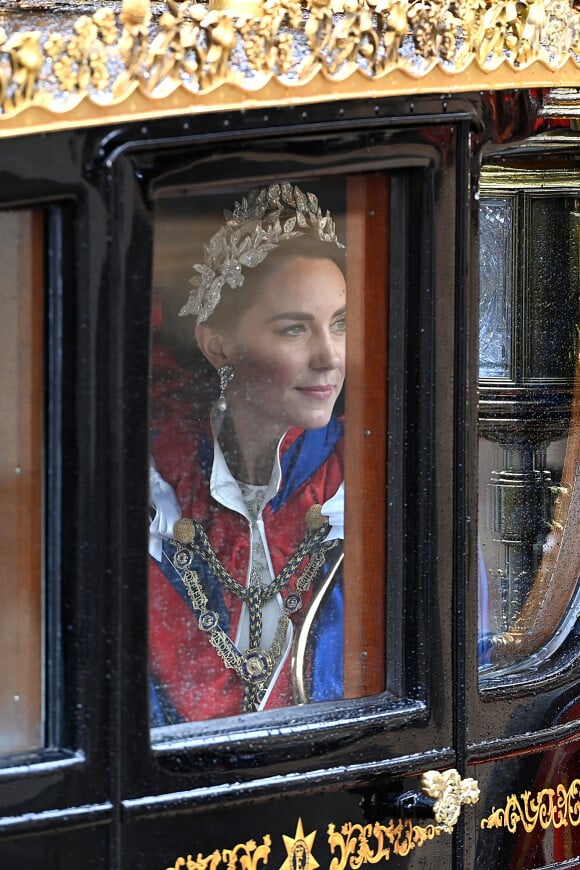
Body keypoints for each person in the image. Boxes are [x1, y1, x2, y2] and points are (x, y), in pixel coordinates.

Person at [148, 182, 346, 724]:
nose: (329, 357)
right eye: (294, 329)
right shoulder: (158, 485)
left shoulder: (375, 482)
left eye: (340, 324)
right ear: (219, 345)